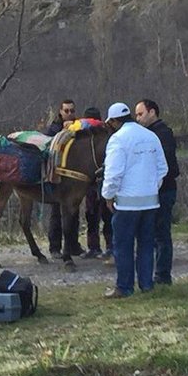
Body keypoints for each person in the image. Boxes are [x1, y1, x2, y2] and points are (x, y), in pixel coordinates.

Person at [101, 102, 168, 298]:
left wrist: (108, 195)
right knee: (147, 245)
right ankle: (146, 285)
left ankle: (124, 287)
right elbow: (162, 168)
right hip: (150, 202)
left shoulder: (117, 140)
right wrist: (150, 187)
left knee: (123, 246)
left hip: (127, 204)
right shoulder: (150, 135)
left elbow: (113, 173)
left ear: (114, 121)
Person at [135, 99, 179, 284]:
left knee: (161, 234)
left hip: (163, 190)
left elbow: (166, 166)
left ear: (152, 112)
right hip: (150, 191)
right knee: (151, 234)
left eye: (140, 114)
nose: (137, 118)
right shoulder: (147, 133)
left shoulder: (163, 133)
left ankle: (163, 275)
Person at [42, 99, 81, 258]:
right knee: (57, 212)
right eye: (67, 111)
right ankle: (55, 247)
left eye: (72, 111)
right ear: (61, 112)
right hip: (58, 175)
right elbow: (48, 143)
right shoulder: (54, 127)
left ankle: (73, 245)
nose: (70, 114)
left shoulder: (78, 125)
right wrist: (61, 131)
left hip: (74, 176)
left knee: (74, 213)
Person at [80, 106, 111, 260]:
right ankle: (95, 247)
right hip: (92, 183)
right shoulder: (84, 139)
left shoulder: (107, 137)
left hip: (102, 182)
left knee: (105, 215)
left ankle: (108, 246)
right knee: (92, 215)